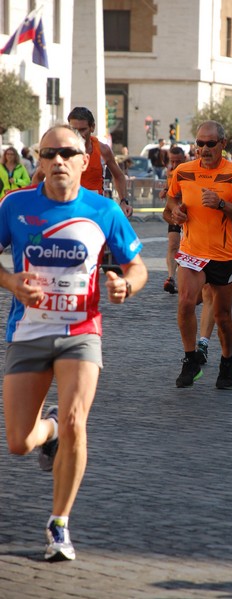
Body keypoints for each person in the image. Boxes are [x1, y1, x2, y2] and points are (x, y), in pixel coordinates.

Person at [0, 124, 147, 561]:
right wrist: (10, 282)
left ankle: (59, 523)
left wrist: (127, 285)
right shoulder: (15, 205)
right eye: (49, 153)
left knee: (76, 422)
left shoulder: (104, 211)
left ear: (86, 161)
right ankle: (46, 432)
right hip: (28, 332)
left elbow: (137, 266)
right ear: (40, 162)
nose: (58, 160)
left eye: (68, 153)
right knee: (18, 443)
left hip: (81, 333)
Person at [166, 120, 232, 389]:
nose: (204, 149)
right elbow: (169, 205)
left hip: (224, 255)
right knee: (185, 303)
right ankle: (191, 360)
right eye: (200, 144)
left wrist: (221, 204)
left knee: (223, 318)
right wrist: (175, 213)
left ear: (222, 145)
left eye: (210, 144)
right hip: (192, 252)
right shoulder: (182, 171)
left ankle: (227, 360)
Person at [32, 106, 132, 218]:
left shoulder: (103, 150)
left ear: (92, 127)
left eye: (83, 129)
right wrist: (38, 203)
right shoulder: (60, 150)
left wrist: (123, 201)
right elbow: (38, 177)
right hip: (66, 207)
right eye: (74, 129)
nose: (79, 134)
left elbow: (118, 176)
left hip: (94, 209)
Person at [161, 146, 186, 294]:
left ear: (184, 159)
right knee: (173, 244)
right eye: (172, 161)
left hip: (190, 214)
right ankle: (171, 277)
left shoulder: (190, 171)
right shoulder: (169, 172)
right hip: (173, 211)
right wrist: (165, 190)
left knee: (186, 247)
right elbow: (168, 186)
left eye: (178, 161)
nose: (175, 165)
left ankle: (187, 277)